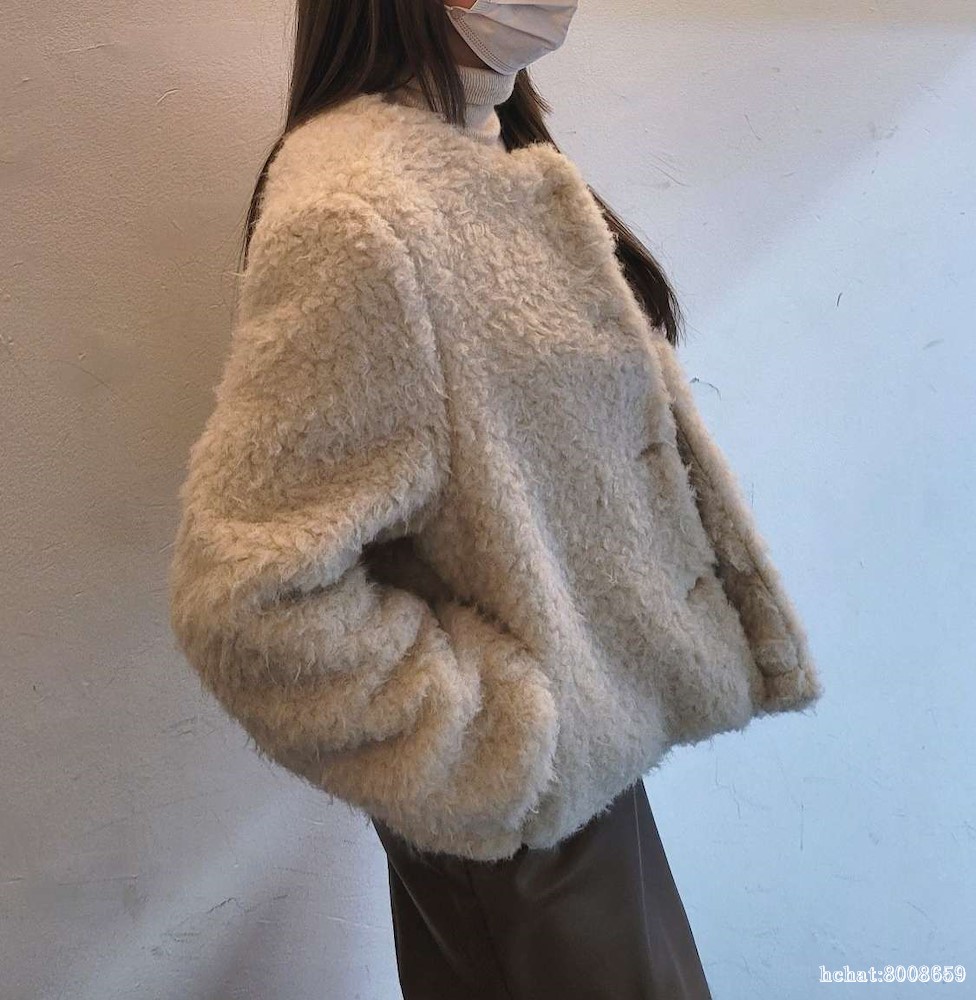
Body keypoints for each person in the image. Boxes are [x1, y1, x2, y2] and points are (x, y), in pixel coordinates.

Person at [167, 2, 825, 997]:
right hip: (527, 830)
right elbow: (248, 601)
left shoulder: (480, 150)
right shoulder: (355, 213)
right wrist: (514, 751)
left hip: (580, 796)